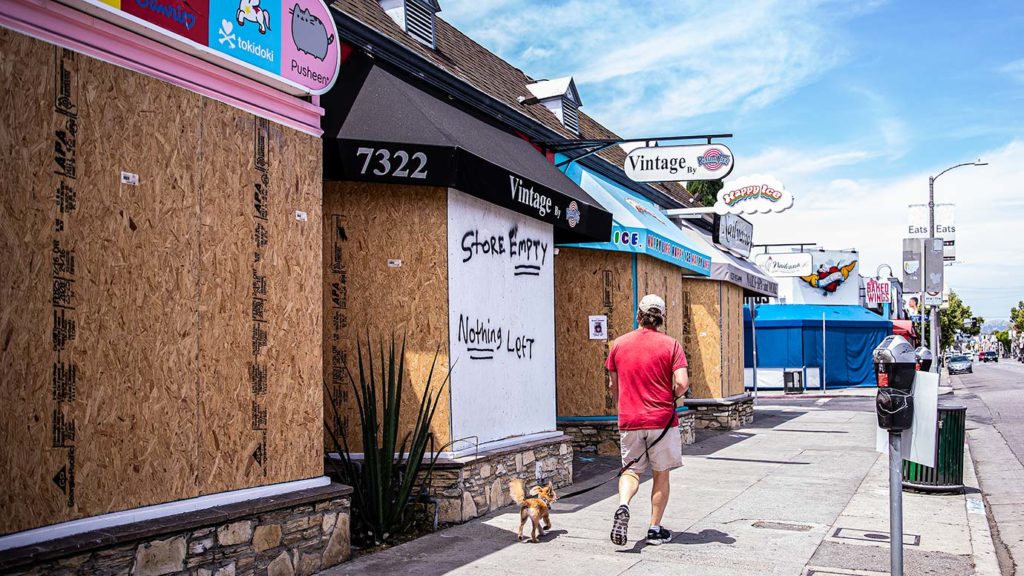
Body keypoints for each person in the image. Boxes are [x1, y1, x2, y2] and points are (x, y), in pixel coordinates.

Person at [605, 294, 689, 546]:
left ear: (638, 316)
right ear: (661, 318)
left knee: (631, 471)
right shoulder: (671, 345)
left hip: (630, 419)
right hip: (661, 421)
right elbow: (682, 383)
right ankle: (654, 529)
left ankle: (623, 505)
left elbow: (613, 386)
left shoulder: (618, 345)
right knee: (660, 474)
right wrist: (670, 396)